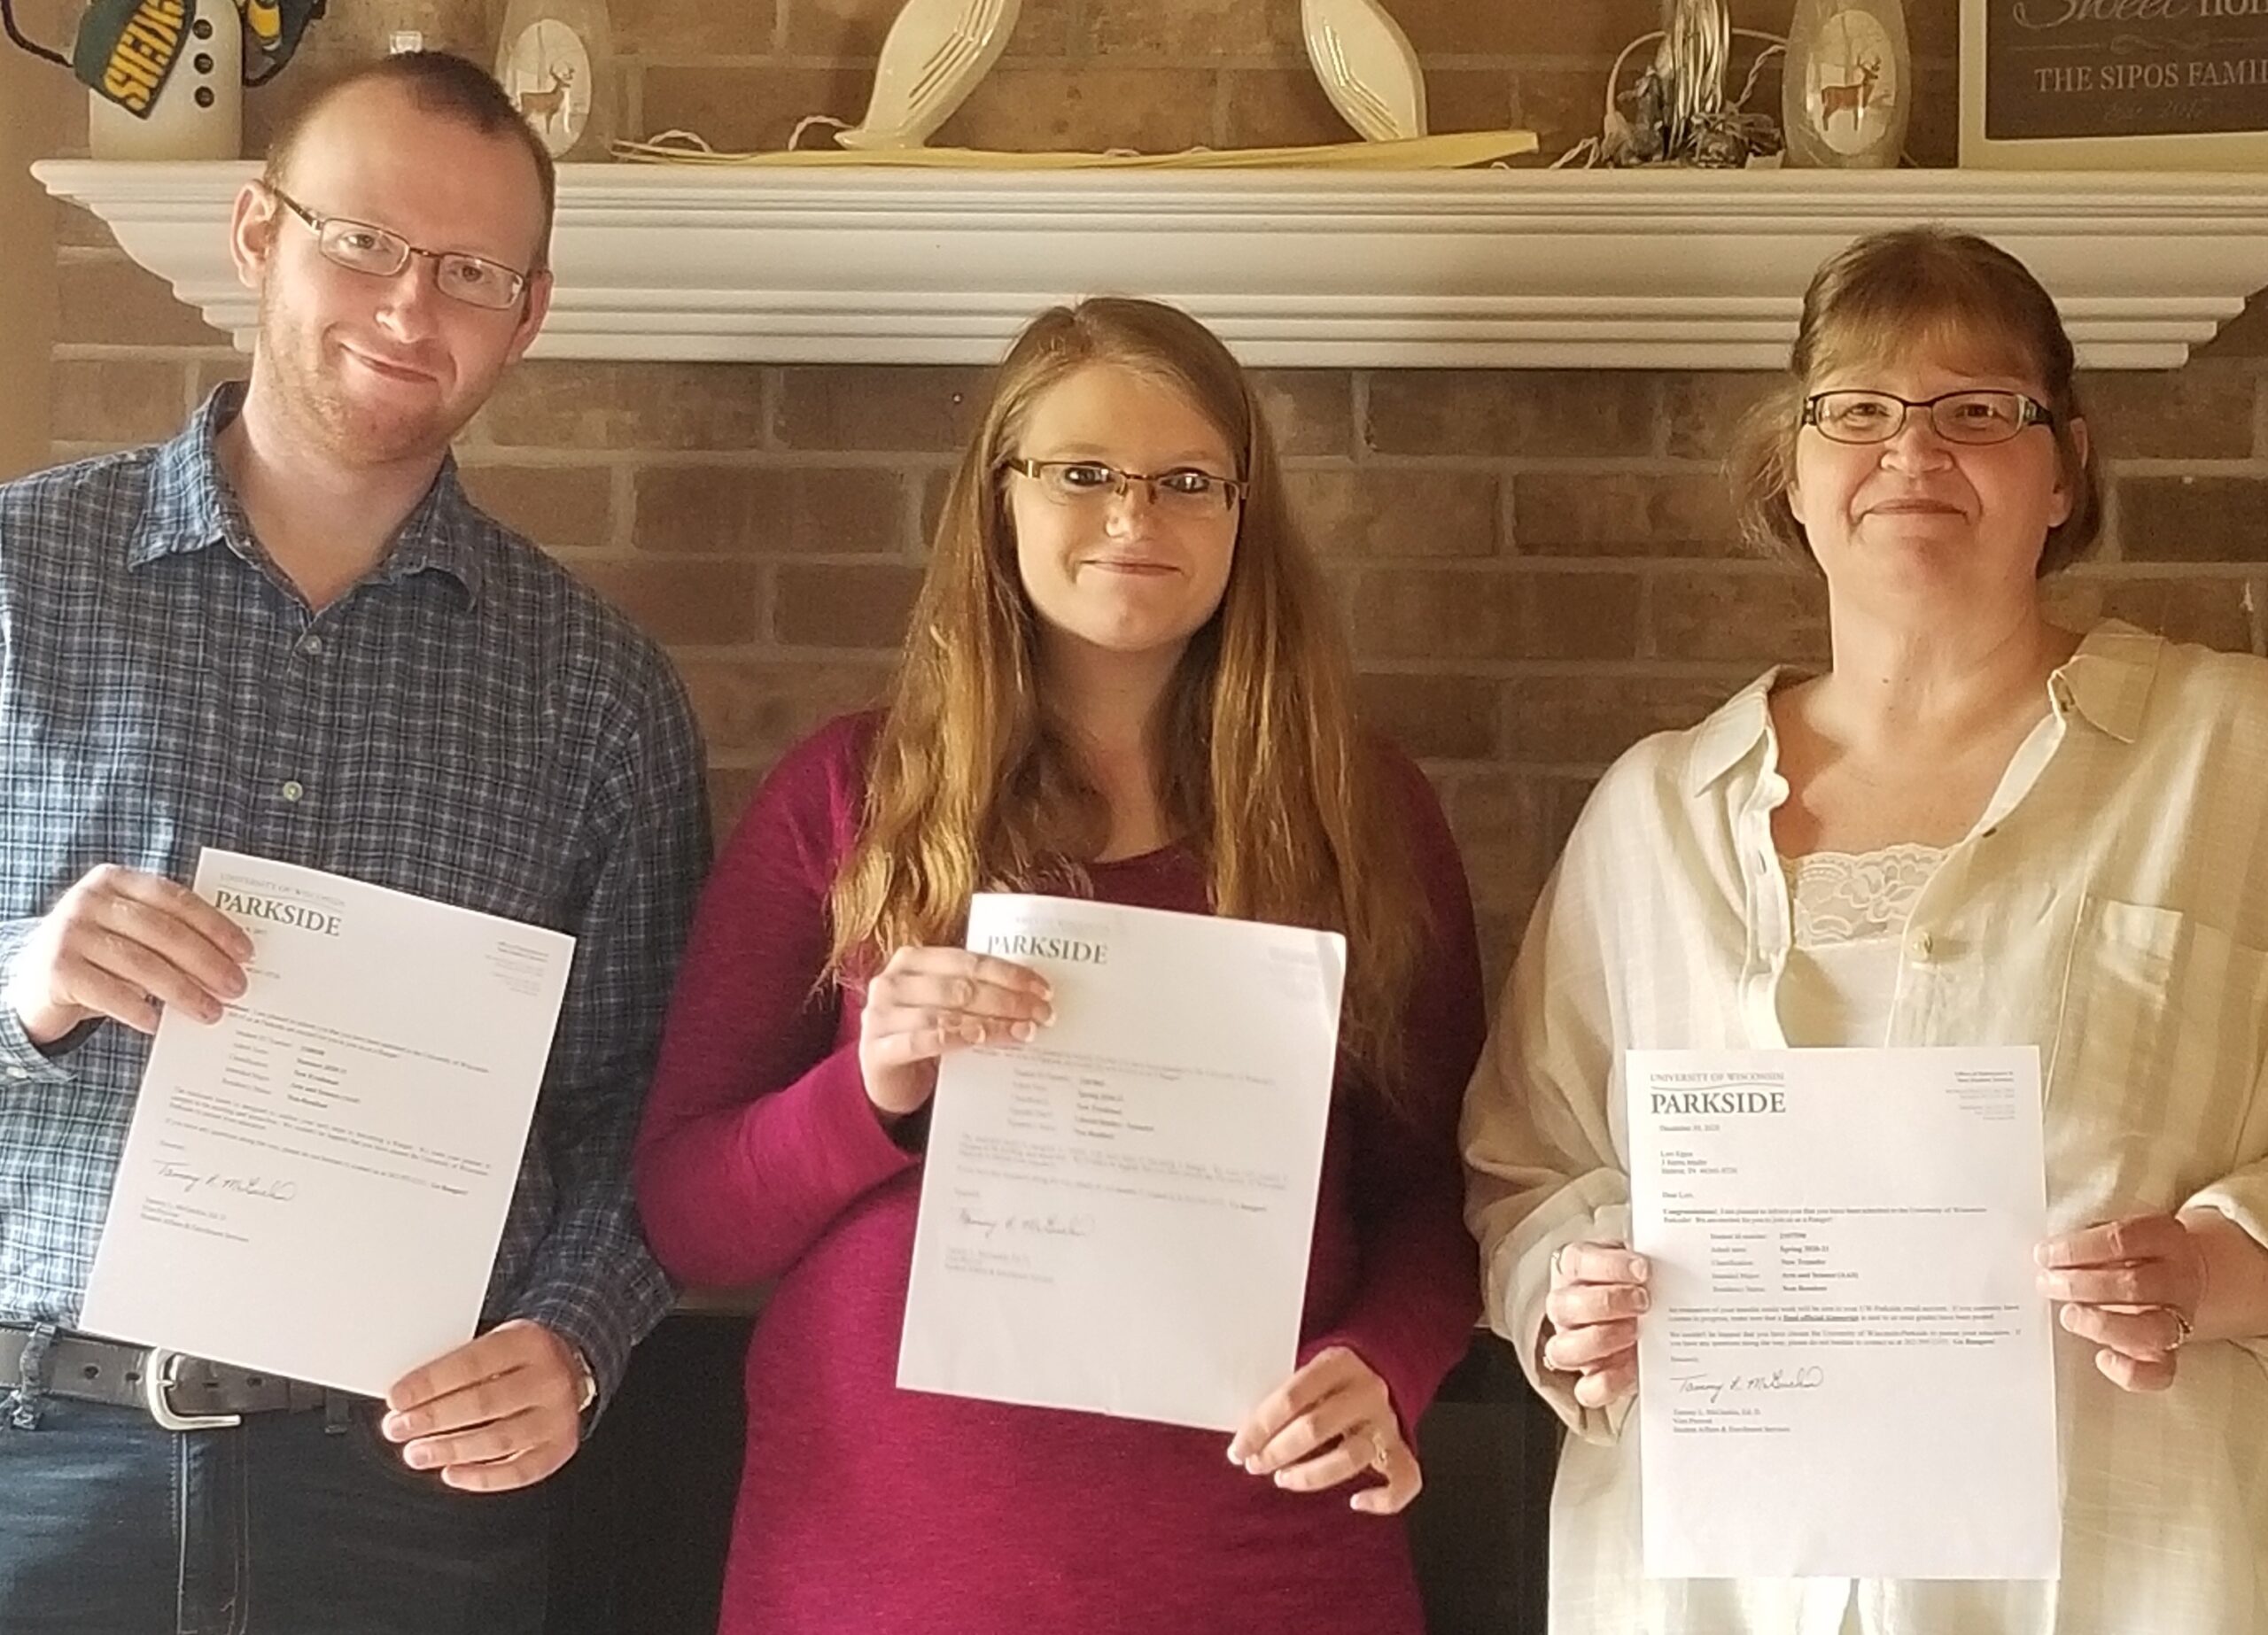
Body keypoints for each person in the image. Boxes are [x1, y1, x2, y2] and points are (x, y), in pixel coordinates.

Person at [634, 296, 1487, 1634]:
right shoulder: (849, 794)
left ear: (1243, 513)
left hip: (1261, 1571)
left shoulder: (1359, 809)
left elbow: (1432, 1192)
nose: (1134, 518)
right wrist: (870, 1095)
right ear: (1000, 499)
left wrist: (1386, 1363)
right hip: (884, 1571)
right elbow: (688, 1212)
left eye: (1186, 480)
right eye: (1083, 472)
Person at [1462, 224, 2268, 1634]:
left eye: (1978, 409)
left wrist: (2213, 1266)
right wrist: (1566, 1293)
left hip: (2113, 1574)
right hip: (1710, 1583)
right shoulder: (1656, 812)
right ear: (1794, 466)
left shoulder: (2234, 756)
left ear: (2066, 464)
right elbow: (1529, 1160)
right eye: (1858, 409)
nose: (1913, 450)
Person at [0, 51, 709, 1633]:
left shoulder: (598, 692)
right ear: (259, 234)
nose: (410, 309)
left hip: (400, 1489)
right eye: (364, 242)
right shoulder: (13, 583)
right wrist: (21, 979)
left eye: (470, 272)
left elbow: (648, 1110)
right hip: (27, 1452)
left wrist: (577, 1338)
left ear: (527, 313)